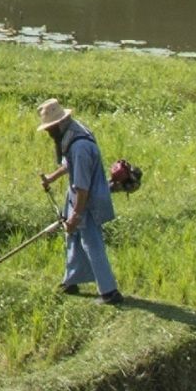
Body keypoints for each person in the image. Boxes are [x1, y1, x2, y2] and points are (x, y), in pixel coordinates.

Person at [36, 97, 121, 302]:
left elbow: (83, 187)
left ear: (58, 124)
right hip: (77, 194)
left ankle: (110, 292)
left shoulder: (80, 147)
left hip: (88, 199)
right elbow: (68, 165)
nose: (48, 133)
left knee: (91, 241)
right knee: (72, 236)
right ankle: (72, 281)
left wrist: (76, 215)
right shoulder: (71, 134)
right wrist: (51, 178)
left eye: (49, 129)